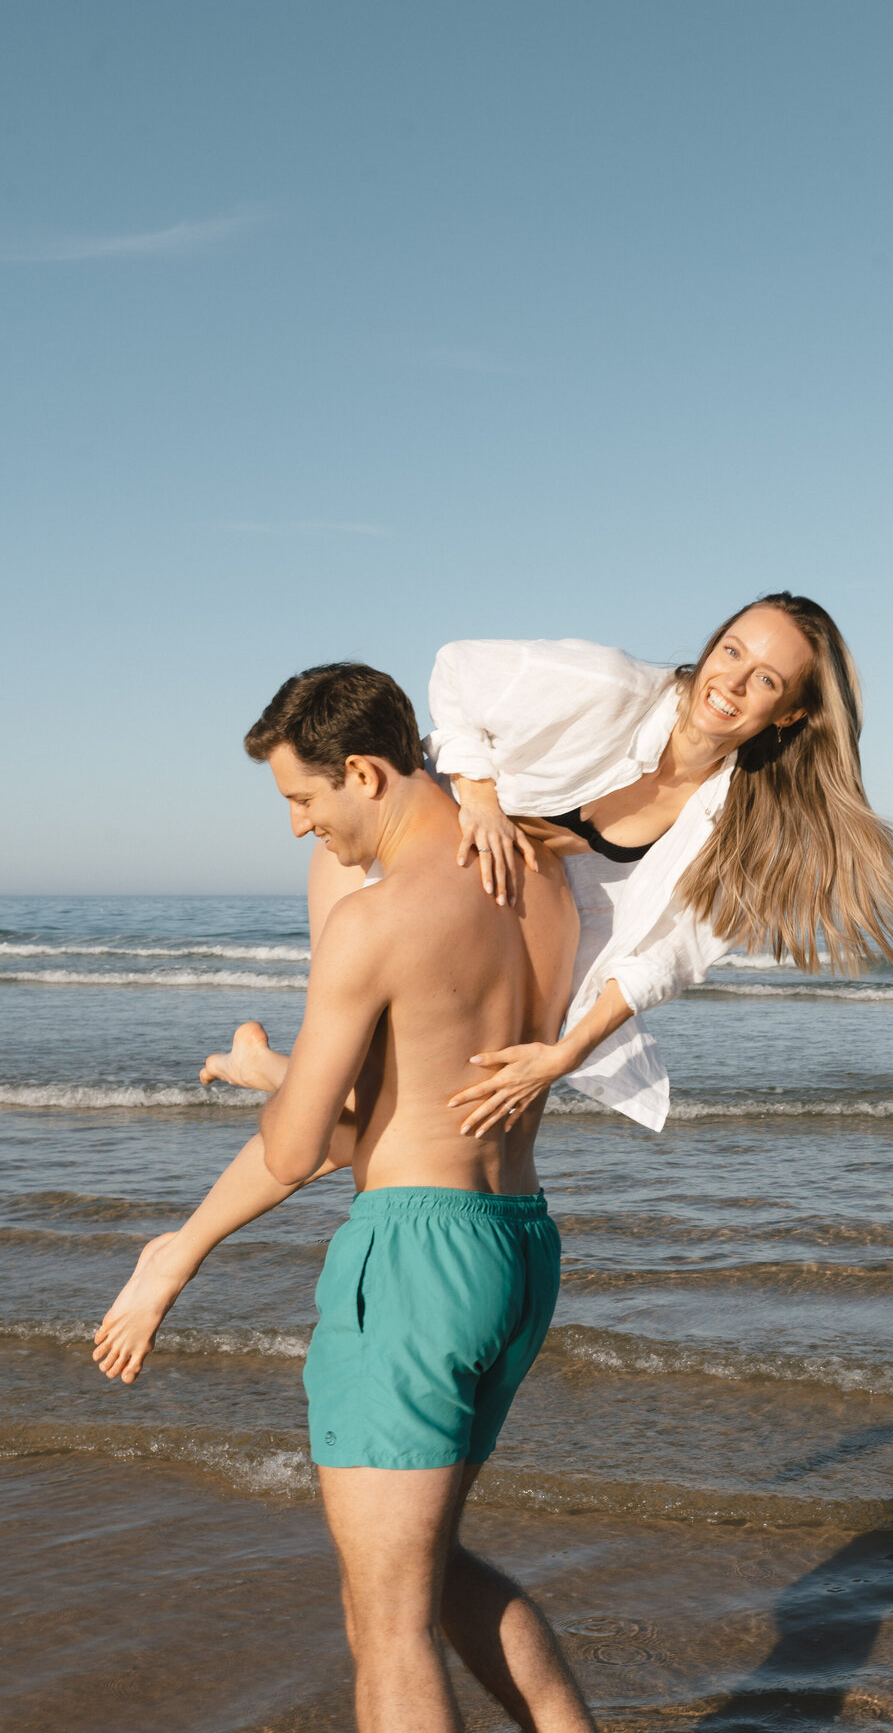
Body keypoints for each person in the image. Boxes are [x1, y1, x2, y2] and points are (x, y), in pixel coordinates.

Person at [96, 662, 595, 1733]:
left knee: (386, 1620)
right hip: (515, 1246)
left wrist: (175, 1252)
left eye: (303, 798)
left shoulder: (376, 923)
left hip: (412, 1266)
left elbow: (298, 1149)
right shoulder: (540, 874)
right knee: (428, 1571)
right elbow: (415, 1090)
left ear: (365, 773)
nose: (298, 827)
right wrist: (280, 1071)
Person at [310, 590, 893, 1135]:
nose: (730, 680)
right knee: (353, 1098)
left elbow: (665, 959)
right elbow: (458, 668)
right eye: (731, 650)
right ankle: (266, 1087)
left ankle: (271, 1075)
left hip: (515, 901)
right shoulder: (608, 687)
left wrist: (566, 1054)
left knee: (449, 1113)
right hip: (415, 844)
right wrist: (477, 796)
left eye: (765, 679)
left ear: (790, 714)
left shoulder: (742, 828)